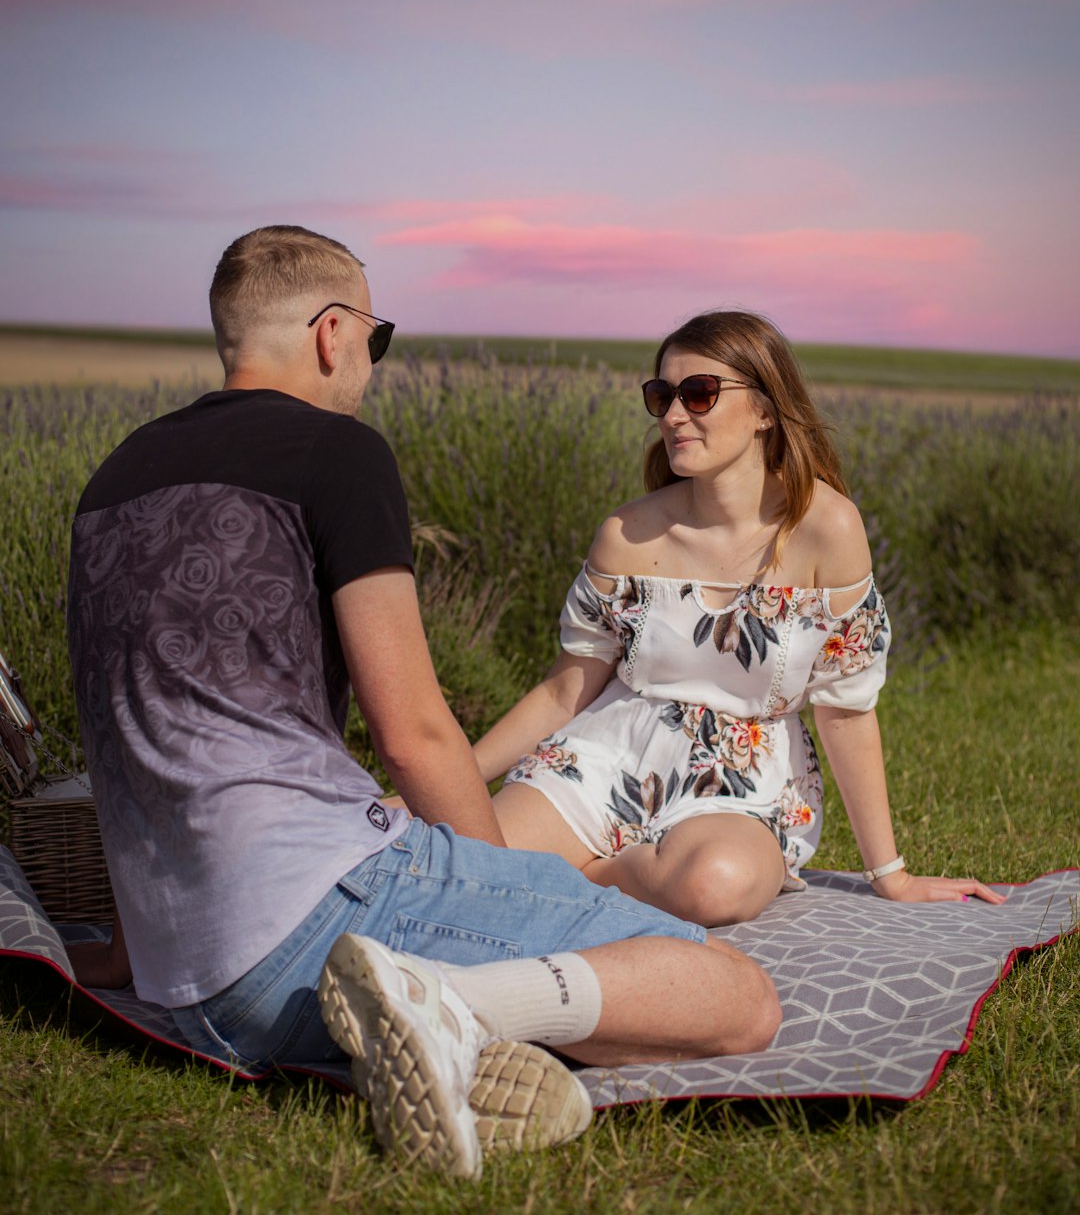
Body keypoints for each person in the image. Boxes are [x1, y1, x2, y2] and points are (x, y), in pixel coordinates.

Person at [64, 228, 780, 1181]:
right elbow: (414, 733)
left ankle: (448, 1029)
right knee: (731, 995)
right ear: (331, 333)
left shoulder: (114, 476)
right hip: (310, 915)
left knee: (560, 964)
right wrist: (506, 889)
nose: (370, 362)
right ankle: (455, 1010)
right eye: (375, 335)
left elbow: (129, 737)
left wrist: (121, 949)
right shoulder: (336, 451)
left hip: (188, 984)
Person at [475, 310, 1005, 929]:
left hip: (741, 778)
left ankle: (576, 880)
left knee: (713, 889)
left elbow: (845, 710)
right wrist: (440, 781)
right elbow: (565, 689)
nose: (674, 415)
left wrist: (891, 874)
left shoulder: (827, 530)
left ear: (764, 410)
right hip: (606, 755)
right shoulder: (627, 534)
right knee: (474, 865)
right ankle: (585, 879)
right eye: (661, 395)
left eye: (699, 394)